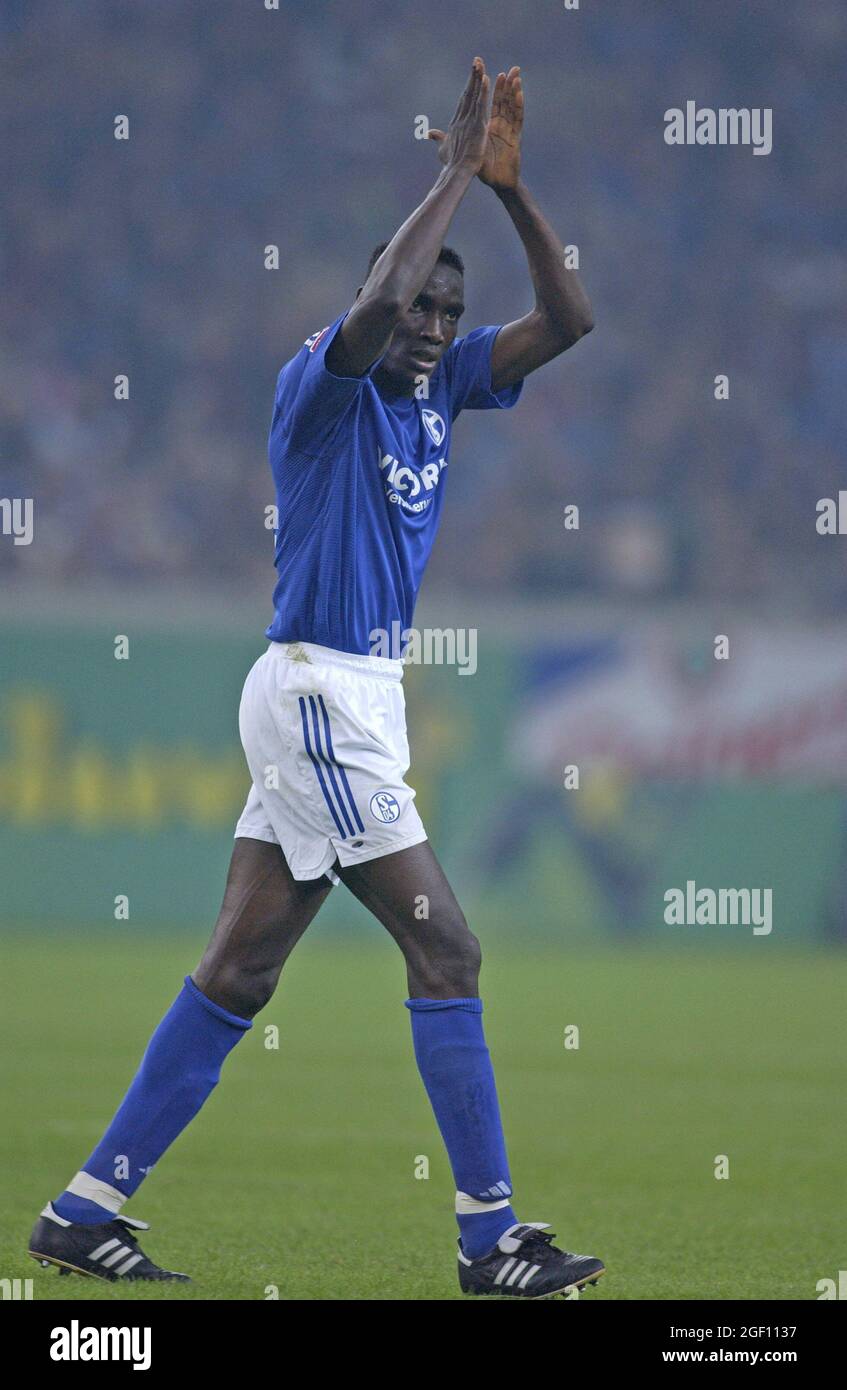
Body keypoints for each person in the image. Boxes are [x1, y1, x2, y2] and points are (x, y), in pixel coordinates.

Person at [30, 58, 602, 1298]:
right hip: (316, 699)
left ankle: (82, 1212)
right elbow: (385, 289)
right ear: (373, 308)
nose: (436, 325)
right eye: (419, 310)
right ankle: (489, 1238)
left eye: (449, 314)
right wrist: (451, 168)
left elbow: (570, 322)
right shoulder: (320, 392)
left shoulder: (445, 387)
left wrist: (509, 192)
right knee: (448, 948)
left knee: (237, 973)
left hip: (352, 698)